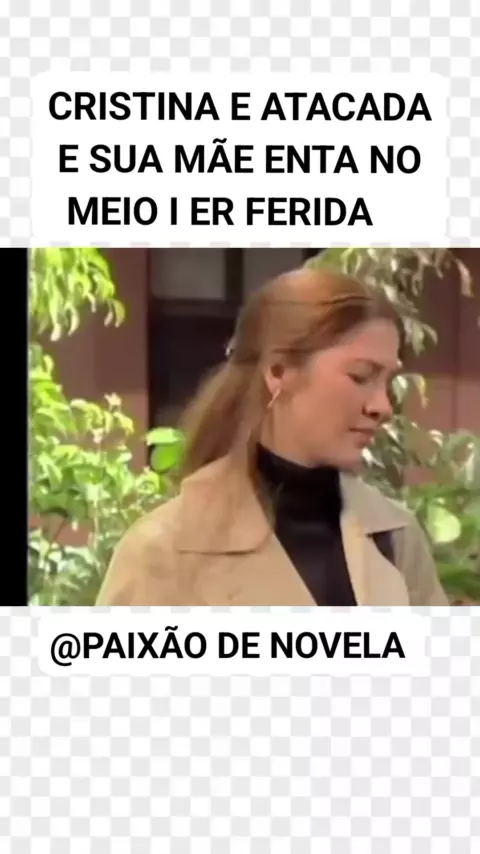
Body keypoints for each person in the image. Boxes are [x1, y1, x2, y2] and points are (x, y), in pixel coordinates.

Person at [95, 266, 448, 607]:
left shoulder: (397, 537)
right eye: (360, 376)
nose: (382, 406)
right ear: (278, 371)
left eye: (388, 382)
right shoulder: (162, 550)